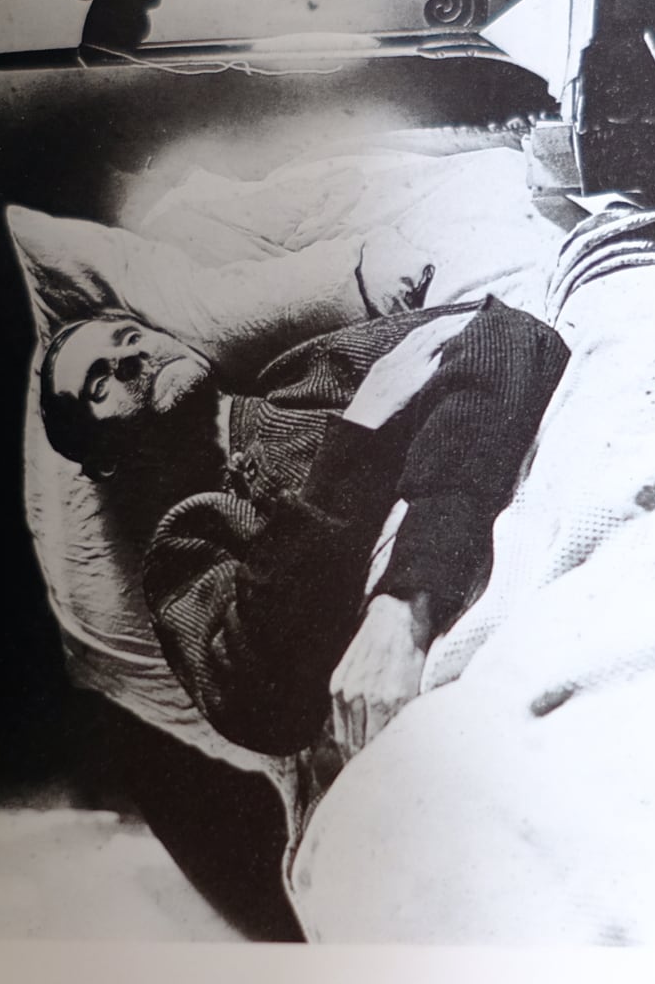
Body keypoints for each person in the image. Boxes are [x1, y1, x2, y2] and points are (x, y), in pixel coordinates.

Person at [39, 296, 568, 762]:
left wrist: (406, 603)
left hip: (530, 575)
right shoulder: (185, 552)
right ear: (104, 462)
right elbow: (260, 705)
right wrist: (357, 433)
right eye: (100, 384)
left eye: (130, 337)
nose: (130, 359)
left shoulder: (316, 371)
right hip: (422, 717)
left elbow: (506, 337)